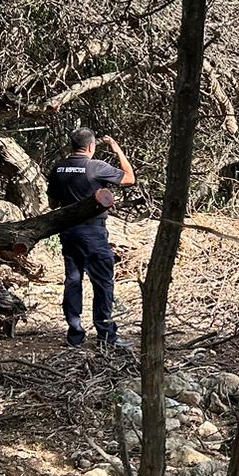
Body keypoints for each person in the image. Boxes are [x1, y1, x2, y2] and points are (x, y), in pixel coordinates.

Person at [47, 128, 136, 348]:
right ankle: (106, 335)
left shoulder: (57, 168)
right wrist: (117, 149)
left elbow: (52, 204)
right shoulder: (96, 167)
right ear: (91, 147)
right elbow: (129, 178)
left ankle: (75, 335)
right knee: (103, 283)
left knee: (73, 281)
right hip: (93, 232)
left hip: (68, 231)